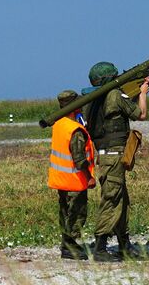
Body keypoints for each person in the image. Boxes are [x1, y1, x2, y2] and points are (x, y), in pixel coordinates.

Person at [84, 62, 149, 261]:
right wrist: (143, 93)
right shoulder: (114, 95)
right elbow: (141, 114)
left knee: (121, 199)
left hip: (106, 155)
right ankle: (100, 247)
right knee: (112, 200)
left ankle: (124, 245)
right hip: (114, 156)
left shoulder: (91, 99)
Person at [47, 90, 97, 260]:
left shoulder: (59, 124)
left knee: (65, 212)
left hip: (61, 180)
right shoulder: (74, 129)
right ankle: (69, 246)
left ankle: (67, 243)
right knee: (77, 214)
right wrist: (89, 176)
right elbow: (79, 159)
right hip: (75, 181)